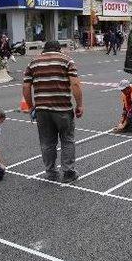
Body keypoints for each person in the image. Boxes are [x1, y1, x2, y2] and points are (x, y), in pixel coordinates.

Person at [23, 40, 83, 183]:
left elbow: (26, 87)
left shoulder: (33, 62)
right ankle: (68, 172)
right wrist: (79, 105)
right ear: (59, 49)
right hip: (62, 108)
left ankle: (51, 172)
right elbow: (75, 84)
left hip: (42, 110)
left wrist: (31, 106)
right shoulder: (67, 60)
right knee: (67, 140)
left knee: (47, 142)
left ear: (44, 49)